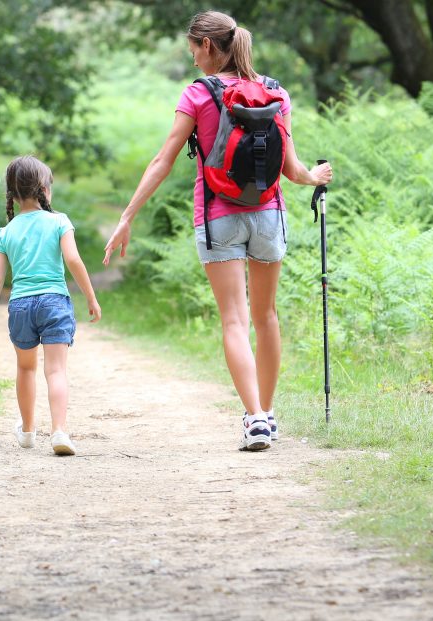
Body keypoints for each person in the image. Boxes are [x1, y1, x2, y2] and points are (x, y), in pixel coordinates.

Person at [102, 11, 333, 452]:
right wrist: (315, 177)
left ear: (207, 46)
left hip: (218, 216)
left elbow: (163, 160)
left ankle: (255, 418)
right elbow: (291, 168)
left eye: (193, 48)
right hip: (269, 215)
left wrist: (127, 216)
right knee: (266, 317)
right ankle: (266, 414)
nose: (192, 59)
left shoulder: (198, 94)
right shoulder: (275, 93)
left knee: (234, 318)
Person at [0, 156, 102, 457]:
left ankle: (29, 431)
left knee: (25, 368)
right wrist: (90, 296)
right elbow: (73, 260)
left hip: (20, 305)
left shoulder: (5, 232)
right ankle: (59, 430)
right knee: (56, 370)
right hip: (54, 302)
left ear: (12, 194)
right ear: (45, 190)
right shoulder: (59, 221)